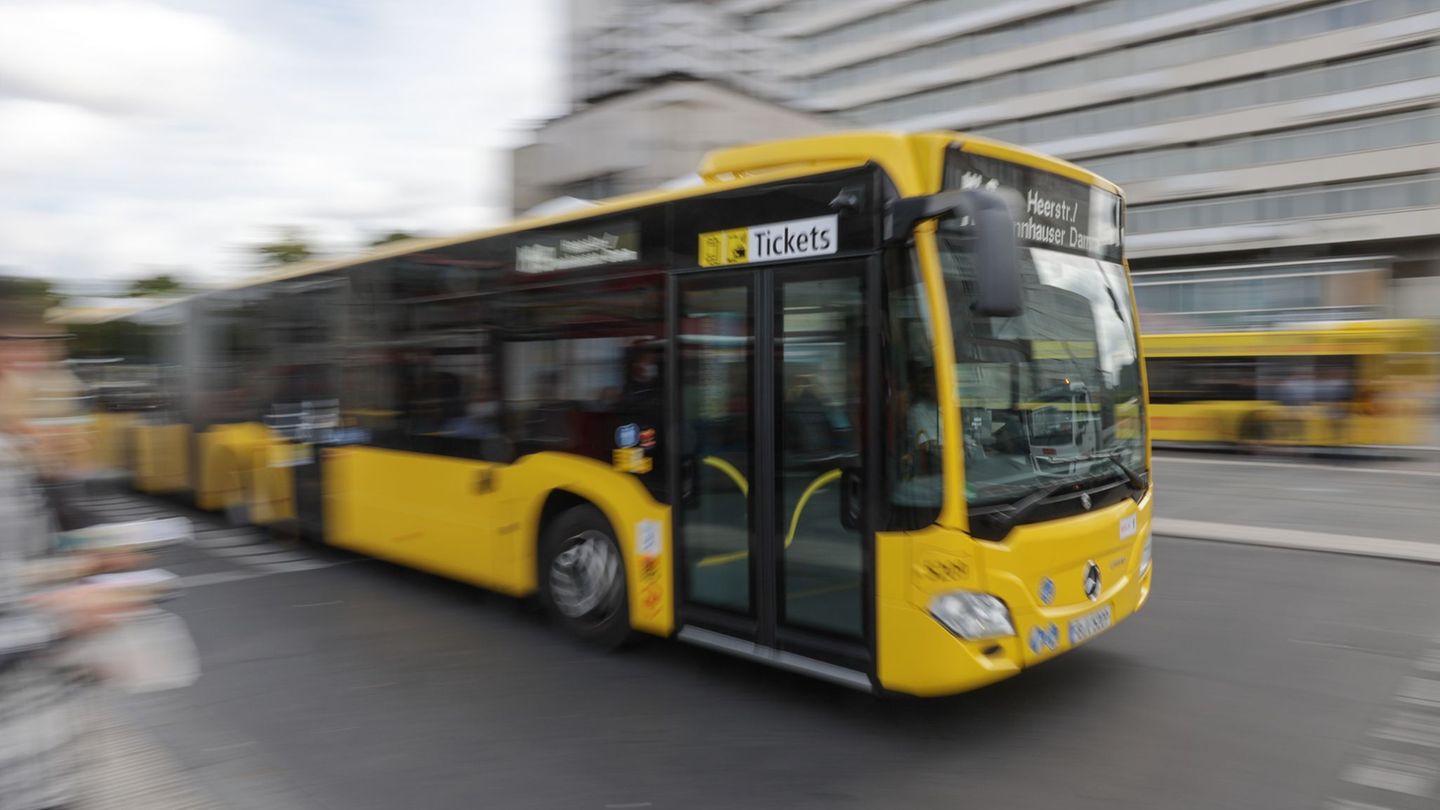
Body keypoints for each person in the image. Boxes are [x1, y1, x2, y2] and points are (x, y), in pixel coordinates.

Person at [0, 286, 143, 810]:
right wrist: (63, 615)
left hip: (43, 762)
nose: (63, 385)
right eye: (40, 370)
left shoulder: (17, 459)